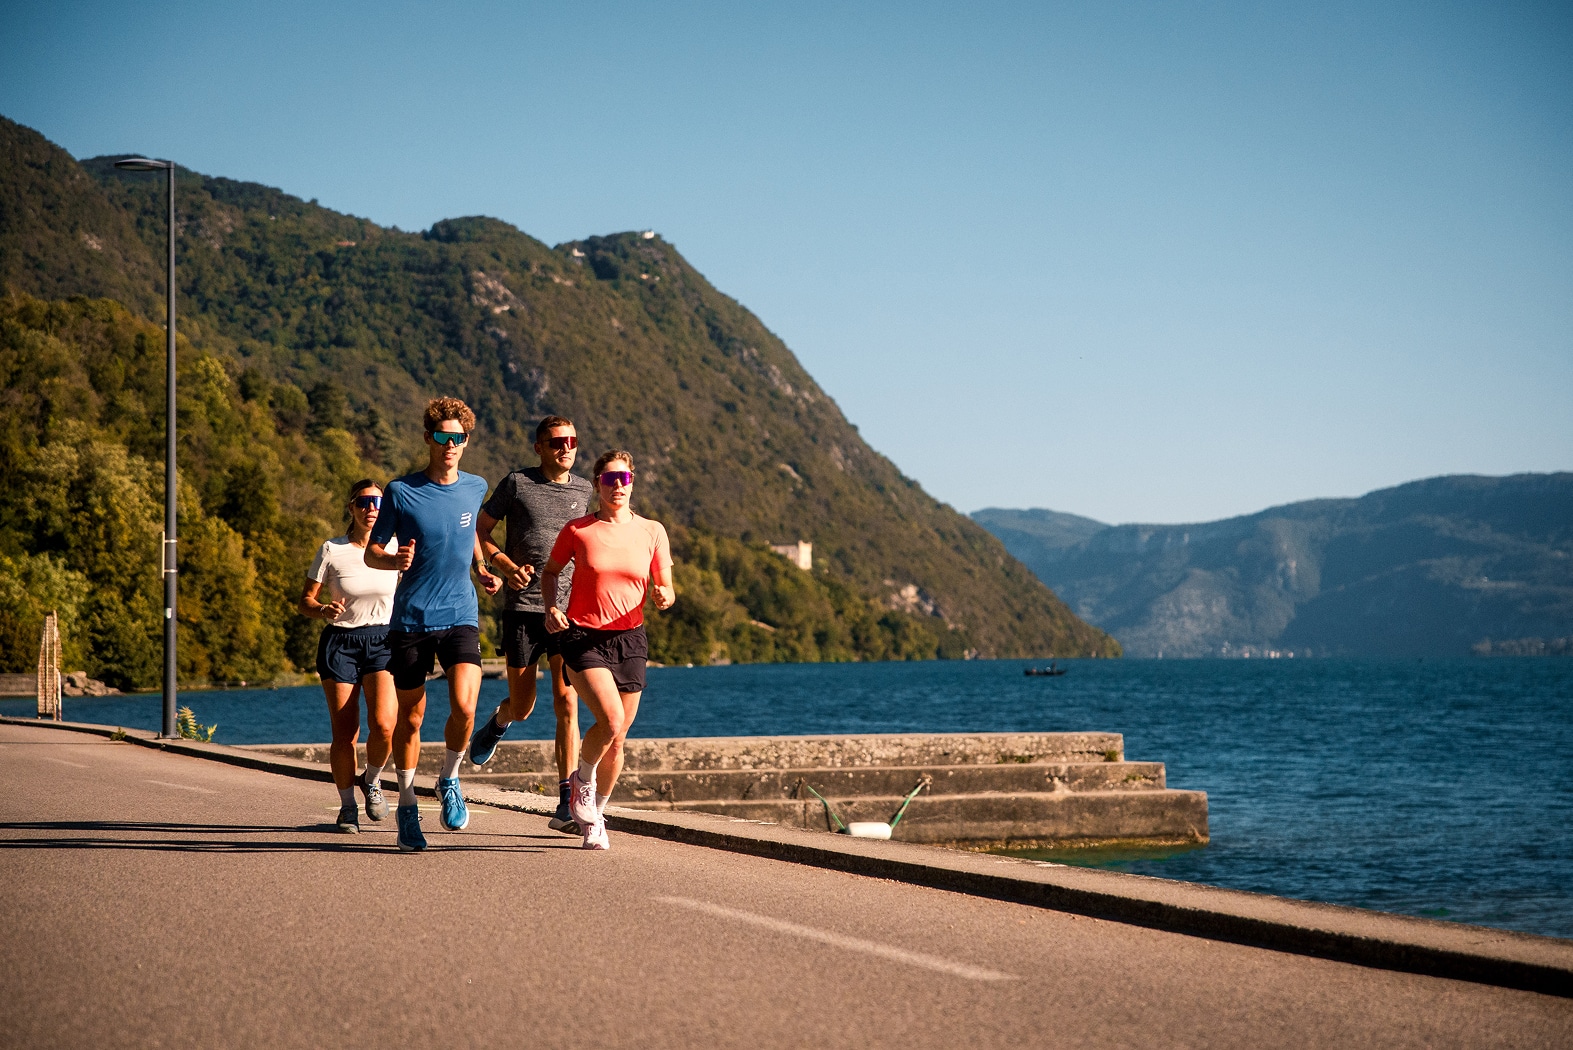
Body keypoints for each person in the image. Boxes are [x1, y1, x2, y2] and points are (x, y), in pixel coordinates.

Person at [366, 397, 501, 852]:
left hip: (460, 613)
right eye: (443, 436)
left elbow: (467, 538)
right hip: (410, 619)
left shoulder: (475, 486)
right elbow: (372, 551)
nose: (450, 444)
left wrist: (481, 568)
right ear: (428, 438)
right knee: (413, 716)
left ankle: (449, 777)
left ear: (466, 441)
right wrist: (391, 559)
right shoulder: (401, 492)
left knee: (465, 708)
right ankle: (406, 804)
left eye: (458, 437)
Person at [543, 449, 675, 850]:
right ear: (597, 484)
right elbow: (550, 572)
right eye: (608, 479)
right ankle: (580, 781)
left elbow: (664, 583)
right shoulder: (578, 530)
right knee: (611, 720)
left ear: (633, 481)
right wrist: (551, 607)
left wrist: (665, 594)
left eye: (624, 479)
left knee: (618, 739)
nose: (617, 486)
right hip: (583, 637)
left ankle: (596, 814)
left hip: (631, 638)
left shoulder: (652, 531)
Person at [470, 415, 594, 834]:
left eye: (572, 441)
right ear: (539, 447)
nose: (566, 447)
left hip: (568, 612)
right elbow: (482, 531)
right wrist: (502, 565)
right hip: (523, 610)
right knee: (524, 707)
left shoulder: (584, 489)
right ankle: (499, 721)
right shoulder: (517, 484)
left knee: (567, 702)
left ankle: (565, 801)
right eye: (556, 441)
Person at [298, 479, 400, 833]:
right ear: (351, 507)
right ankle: (346, 808)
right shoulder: (332, 549)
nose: (372, 509)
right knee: (346, 733)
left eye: (378, 502)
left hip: (384, 640)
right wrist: (322, 608)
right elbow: (305, 601)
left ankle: (371, 781)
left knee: (385, 726)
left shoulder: (396, 548)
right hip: (341, 642)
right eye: (364, 502)